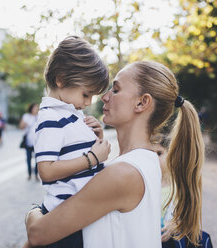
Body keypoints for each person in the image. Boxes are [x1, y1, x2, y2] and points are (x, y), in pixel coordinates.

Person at [24, 61, 205, 248]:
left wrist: (35, 210)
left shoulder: (123, 174)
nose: (104, 97)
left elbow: (37, 234)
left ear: (142, 102)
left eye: (116, 90)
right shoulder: (145, 161)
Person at [26, 36, 111, 248]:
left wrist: (96, 138)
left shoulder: (71, 114)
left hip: (78, 215)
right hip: (64, 220)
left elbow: (74, 153)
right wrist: (91, 158)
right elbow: (46, 171)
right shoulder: (51, 118)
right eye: (86, 94)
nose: (89, 102)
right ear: (61, 79)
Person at [19, 103, 40, 180]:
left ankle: (36, 174)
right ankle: (29, 174)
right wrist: (25, 124)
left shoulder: (40, 116)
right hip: (28, 141)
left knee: (37, 159)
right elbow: (21, 127)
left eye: (37, 108)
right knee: (28, 158)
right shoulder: (26, 116)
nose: (36, 109)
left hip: (37, 142)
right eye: (35, 108)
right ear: (31, 108)